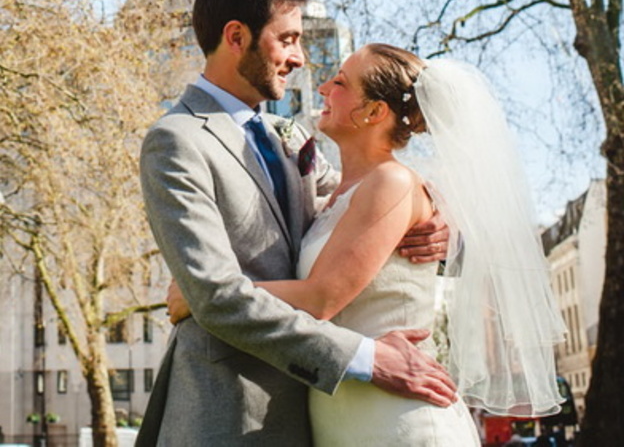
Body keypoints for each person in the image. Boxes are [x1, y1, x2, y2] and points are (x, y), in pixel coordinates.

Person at [169, 42, 565, 444]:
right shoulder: (338, 194)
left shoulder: (391, 182)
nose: (323, 87)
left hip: (394, 414)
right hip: (342, 411)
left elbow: (322, 297)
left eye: (340, 82)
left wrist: (201, 295)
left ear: (374, 112)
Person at [137, 0, 456, 446]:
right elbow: (218, 298)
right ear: (237, 36)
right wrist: (368, 358)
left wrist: (441, 225)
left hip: (326, 415)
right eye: (287, 39)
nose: (301, 58)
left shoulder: (291, 139)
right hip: (232, 414)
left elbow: (363, 207)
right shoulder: (176, 141)